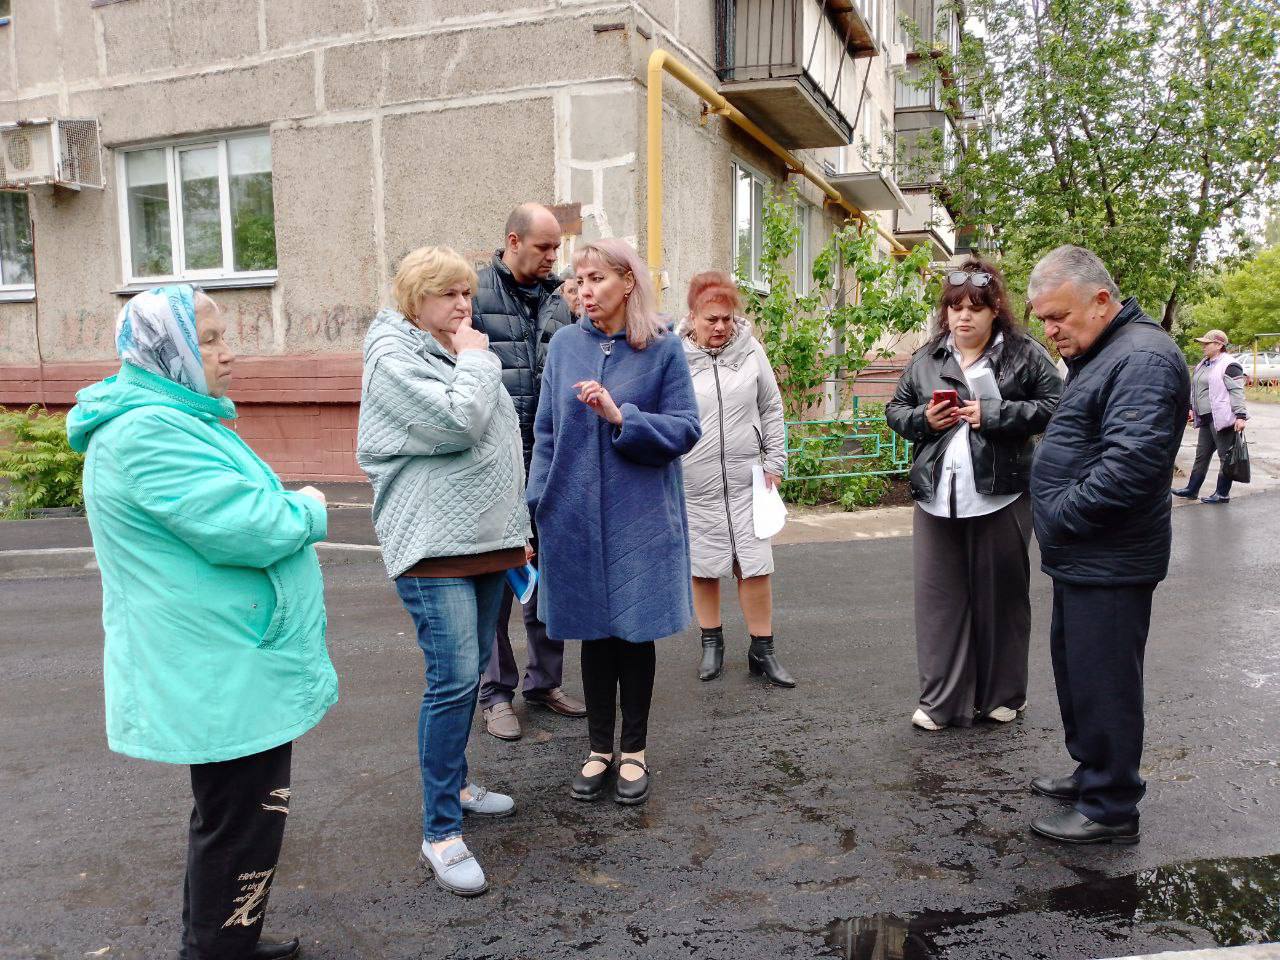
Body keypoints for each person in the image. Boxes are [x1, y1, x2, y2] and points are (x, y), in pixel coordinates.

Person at [67, 285, 336, 960]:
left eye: (221, 337)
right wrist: (308, 509)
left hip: (228, 661)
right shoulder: (146, 433)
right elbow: (250, 525)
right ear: (170, 352)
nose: (227, 352)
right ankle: (217, 949)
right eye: (210, 340)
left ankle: (225, 937)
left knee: (236, 819)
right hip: (219, 670)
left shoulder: (174, 417)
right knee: (241, 822)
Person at [357, 246, 530, 897]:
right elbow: (460, 422)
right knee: (454, 680)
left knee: (465, 677)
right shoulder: (395, 356)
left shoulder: (446, 349)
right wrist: (481, 358)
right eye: (449, 294)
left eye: (466, 292)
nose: (465, 305)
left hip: (484, 542)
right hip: (434, 549)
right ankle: (440, 832)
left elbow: (496, 444)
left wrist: (515, 536)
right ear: (414, 298)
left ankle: (455, 786)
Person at [527, 238, 702, 807]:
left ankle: (634, 751)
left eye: (596, 278)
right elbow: (547, 432)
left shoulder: (663, 350)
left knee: (633, 633)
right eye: (578, 281)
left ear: (628, 282)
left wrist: (621, 416)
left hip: (640, 517)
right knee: (593, 634)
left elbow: (685, 429)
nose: (584, 291)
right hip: (573, 514)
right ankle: (598, 748)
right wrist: (539, 504)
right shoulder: (565, 348)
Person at [1027, 245, 1190, 845]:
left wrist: (1060, 515)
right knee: (1079, 673)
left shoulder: (1143, 357)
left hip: (1110, 555)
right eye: (1043, 318)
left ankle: (1112, 805)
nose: (1051, 331)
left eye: (1059, 317)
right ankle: (1091, 770)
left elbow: (1131, 466)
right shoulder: (1108, 351)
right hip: (1087, 554)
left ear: (1101, 300)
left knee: (1107, 680)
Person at [886, 258, 1063, 732]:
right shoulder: (929, 357)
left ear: (995, 311)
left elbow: (1056, 404)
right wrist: (925, 419)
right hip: (937, 496)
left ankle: (1004, 695)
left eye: (975, 309)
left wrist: (995, 414)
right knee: (939, 601)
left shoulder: (1023, 354)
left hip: (1001, 494)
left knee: (1001, 598)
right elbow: (896, 409)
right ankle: (941, 701)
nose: (963, 317)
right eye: (954, 308)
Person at [471, 203, 585, 741]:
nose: (552, 258)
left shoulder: (563, 298)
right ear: (513, 241)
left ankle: (545, 682)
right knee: (495, 581)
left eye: (556, 249)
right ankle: (495, 694)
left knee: (548, 578)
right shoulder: (471, 297)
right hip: (491, 470)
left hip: (549, 464)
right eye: (544, 248)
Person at [678, 270, 794, 687]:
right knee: (704, 566)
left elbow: (772, 407)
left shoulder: (751, 352)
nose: (721, 327)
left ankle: (763, 651)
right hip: (695, 482)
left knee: (755, 565)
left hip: (750, 482)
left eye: (727, 318)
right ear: (692, 317)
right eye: (711, 319)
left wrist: (775, 462)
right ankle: (712, 645)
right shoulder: (675, 358)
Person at [1171, 328, 1248, 504]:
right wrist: (1191, 407)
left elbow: (1237, 391)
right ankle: (1192, 489)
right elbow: (1196, 388)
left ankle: (1222, 493)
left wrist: (1240, 415)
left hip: (1221, 418)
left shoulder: (1230, 364)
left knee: (1224, 456)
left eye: (1207, 343)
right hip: (1205, 418)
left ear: (1219, 345)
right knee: (1201, 455)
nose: (1203, 346)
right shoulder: (1204, 363)